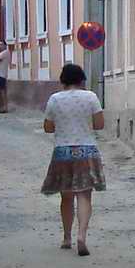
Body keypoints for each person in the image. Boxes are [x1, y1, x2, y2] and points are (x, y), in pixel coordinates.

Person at [41, 63, 104, 256]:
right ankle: (81, 236)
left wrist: (63, 125)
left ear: (63, 80)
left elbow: (48, 127)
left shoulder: (55, 99)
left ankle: (67, 237)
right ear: (82, 79)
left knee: (66, 197)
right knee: (84, 195)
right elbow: (99, 125)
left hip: (63, 152)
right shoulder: (91, 97)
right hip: (86, 151)